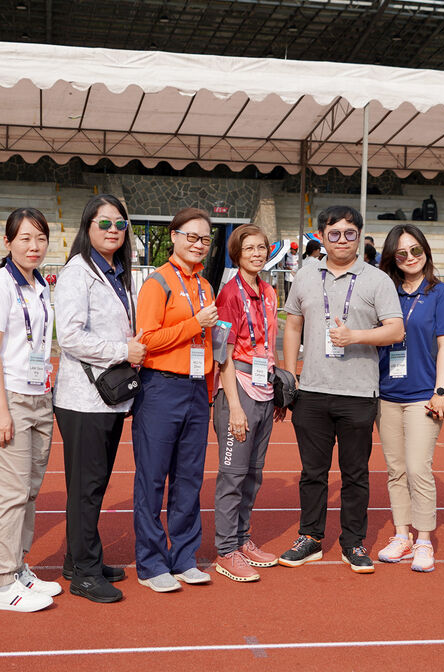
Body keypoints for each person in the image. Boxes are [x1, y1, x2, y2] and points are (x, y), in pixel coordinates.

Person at [280, 206, 403, 573]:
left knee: (355, 475)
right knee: (312, 473)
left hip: (359, 393)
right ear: (322, 237)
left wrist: (355, 336)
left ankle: (353, 542)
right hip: (312, 391)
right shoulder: (305, 275)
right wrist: (291, 374)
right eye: (334, 234)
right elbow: (293, 326)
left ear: (359, 236)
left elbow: (395, 330)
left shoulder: (377, 280)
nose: (343, 240)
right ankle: (310, 537)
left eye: (350, 233)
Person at [54, 195, 146, 604]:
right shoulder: (78, 272)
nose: (113, 230)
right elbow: (70, 336)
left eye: (120, 224)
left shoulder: (116, 272)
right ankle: (85, 574)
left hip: (106, 398)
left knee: (92, 485)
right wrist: (123, 350)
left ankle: (78, 559)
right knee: (87, 488)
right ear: (87, 226)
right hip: (83, 399)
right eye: (104, 223)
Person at [0, 208, 60, 613]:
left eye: (40, 238)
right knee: (9, 494)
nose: (34, 246)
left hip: (39, 396)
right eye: (25, 238)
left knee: (29, 491)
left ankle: (19, 567)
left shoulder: (39, 283)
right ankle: (3, 583)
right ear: (8, 243)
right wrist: (1, 410)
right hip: (7, 397)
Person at [131, 207, 217, 592]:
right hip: (161, 387)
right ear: (174, 237)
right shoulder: (158, 283)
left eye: (205, 239)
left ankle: (184, 557)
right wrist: (194, 324)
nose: (198, 245)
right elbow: (146, 340)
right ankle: (151, 564)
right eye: (192, 237)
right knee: (152, 478)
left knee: (189, 479)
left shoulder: (205, 286)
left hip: (197, 388)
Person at [374, 225, 444, 573]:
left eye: (416, 250)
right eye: (401, 253)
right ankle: (402, 535)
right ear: (392, 258)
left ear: (425, 251)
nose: (410, 257)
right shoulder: (386, 292)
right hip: (386, 394)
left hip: (424, 396)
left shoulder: (441, 294)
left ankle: (424, 540)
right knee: (395, 470)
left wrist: (441, 391)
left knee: (417, 468)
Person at [211, 224, 283, 582]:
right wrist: (235, 407)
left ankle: (242, 539)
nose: (257, 253)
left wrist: (278, 383)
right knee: (233, 475)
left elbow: (268, 343)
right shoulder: (229, 294)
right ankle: (226, 550)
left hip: (264, 388)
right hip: (237, 389)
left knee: (254, 473)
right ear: (236, 254)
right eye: (249, 248)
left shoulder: (269, 291)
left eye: (261, 247)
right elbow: (221, 353)